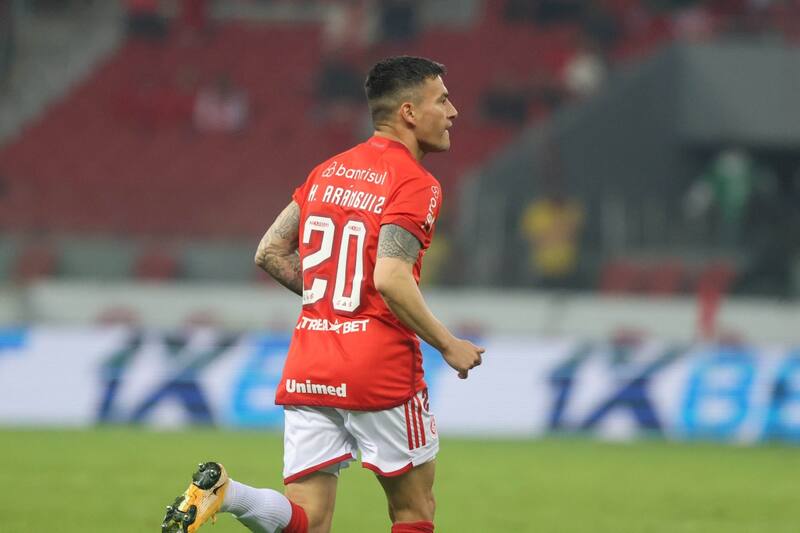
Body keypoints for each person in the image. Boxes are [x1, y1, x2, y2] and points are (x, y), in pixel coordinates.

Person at [160, 56, 485, 533]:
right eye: (443, 100)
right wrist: (448, 344)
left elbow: (269, 251)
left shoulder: (327, 171)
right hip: (379, 368)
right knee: (414, 511)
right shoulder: (417, 183)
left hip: (312, 360)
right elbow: (391, 278)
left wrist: (333, 299)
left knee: (308, 520)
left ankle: (230, 495)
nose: (453, 111)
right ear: (410, 113)